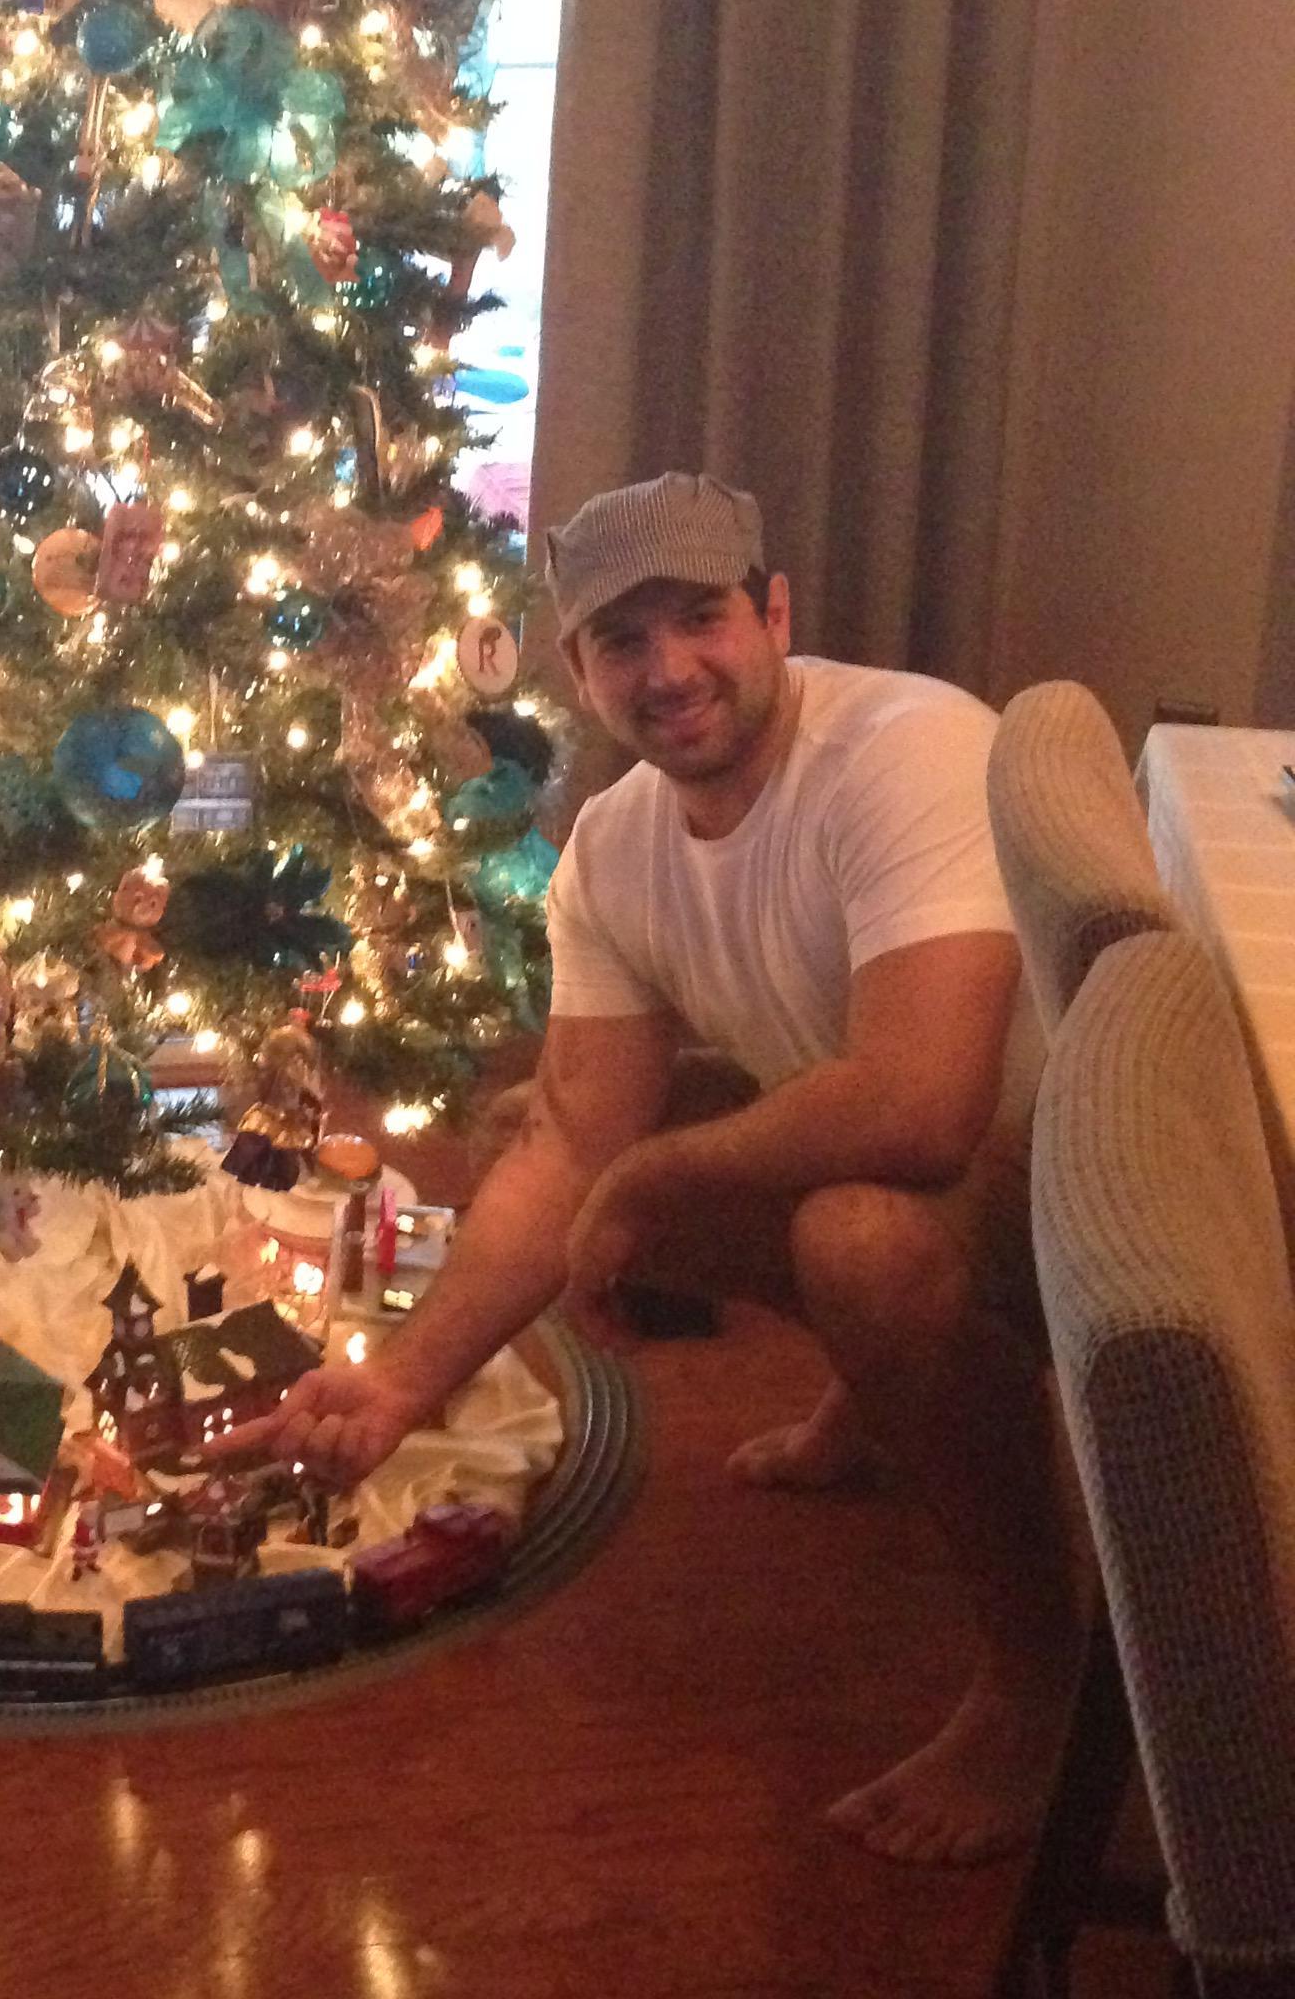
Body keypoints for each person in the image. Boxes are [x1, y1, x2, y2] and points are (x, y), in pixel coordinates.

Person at [223, 472, 1077, 1868]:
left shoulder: (907, 750)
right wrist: (397, 1380)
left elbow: (924, 1107)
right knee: (562, 1153)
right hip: (921, 1153)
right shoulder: (613, 849)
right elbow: (576, 1141)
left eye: (702, 620)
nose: (668, 669)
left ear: (774, 614)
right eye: (624, 640)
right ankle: (882, 1388)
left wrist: (655, 1175)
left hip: (1068, 1174)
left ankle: (1039, 1674)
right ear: (578, 669)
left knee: (856, 1239)